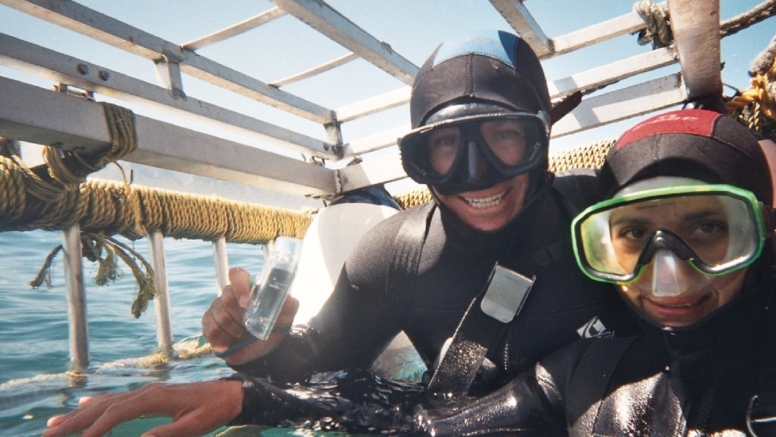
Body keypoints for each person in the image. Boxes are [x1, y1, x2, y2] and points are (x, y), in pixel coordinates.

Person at [42, 30, 640, 437]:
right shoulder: (396, 256)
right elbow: (314, 369)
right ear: (418, 157)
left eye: (506, 137)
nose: (475, 176)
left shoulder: (609, 216)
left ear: (543, 136)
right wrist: (258, 352)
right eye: (445, 146)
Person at [413, 108, 776, 436]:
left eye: (708, 228)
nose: (669, 281)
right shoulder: (581, 376)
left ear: (761, 230)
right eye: (634, 234)